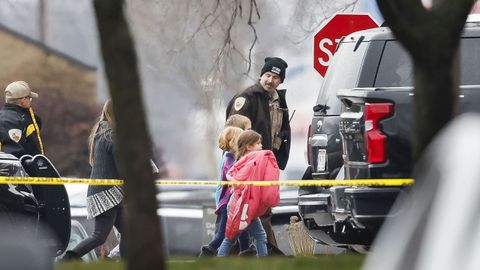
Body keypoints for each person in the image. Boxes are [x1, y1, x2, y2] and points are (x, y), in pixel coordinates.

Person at [225, 57, 291, 253]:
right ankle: (264, 253)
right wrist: (243, 162)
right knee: (244, 211)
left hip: (266, 164)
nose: (270, 80)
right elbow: (232, 134)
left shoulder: (279, 100)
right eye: (268, 75)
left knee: (261, 209)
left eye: (276, 77)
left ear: (281, 81)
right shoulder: (247, 98)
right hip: (248, 165)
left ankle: (256, 252)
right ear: (261, 75)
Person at [62, 99, 125, 260]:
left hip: (108, 193)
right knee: (99, 236)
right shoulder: (112, 134)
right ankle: (67, 260)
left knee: (129, 234)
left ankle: (121, 262)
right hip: (107, 195)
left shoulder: (102, 131)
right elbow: (123, 166)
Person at [217, 130, 279, 257]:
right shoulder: (249, 163)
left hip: (243, 205)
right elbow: (241, 183)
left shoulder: (244, 161)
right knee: (233, 238)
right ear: (249, 146)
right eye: (258, 143)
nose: (261, 146)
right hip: (242, 206)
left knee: (233, 237)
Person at [199, 126, 250, 257]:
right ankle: (206, 255)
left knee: (243, 231)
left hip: (232, 202)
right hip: (227, 203)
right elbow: (234, 176)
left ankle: (247, 255)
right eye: (241, 141)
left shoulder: (232, 157)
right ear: (233, 142)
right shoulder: (229, 159)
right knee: (222, 234)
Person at [0, 81, 44, 157]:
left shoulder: (24, 116)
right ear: (23, 100)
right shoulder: (9, 121)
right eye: (29, 98)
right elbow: (13, 156)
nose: (30, 101)